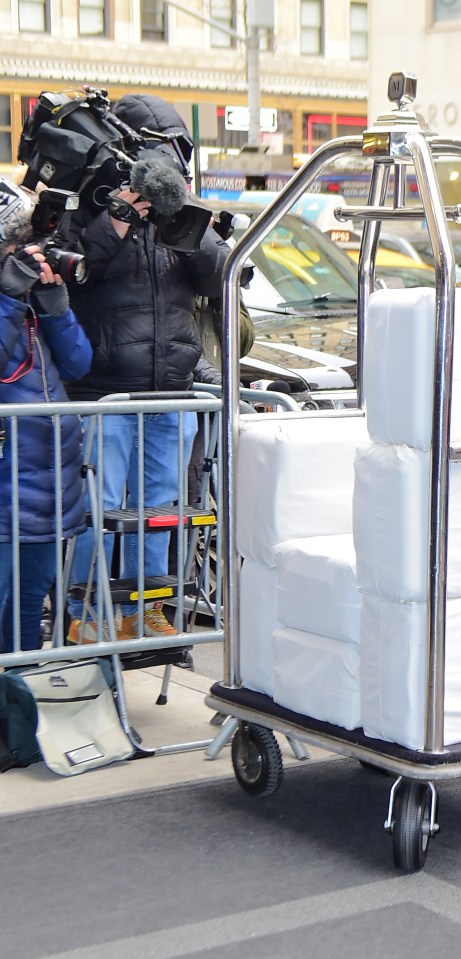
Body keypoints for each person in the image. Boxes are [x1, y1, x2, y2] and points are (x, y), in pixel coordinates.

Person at [63, 94, 229, 643]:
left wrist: (185, 213)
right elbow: (77, 271)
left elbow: (219, 279)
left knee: (159, 509)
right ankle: (83, 614)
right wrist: (119, 217)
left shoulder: (180, 213)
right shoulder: (92, 203)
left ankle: (147, 606)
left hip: (170, 392)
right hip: (103, 392)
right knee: (100, 507)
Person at [0, 180, 92, 654]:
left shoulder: (25, 302)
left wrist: (55, 310)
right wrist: (9, 299)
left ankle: (16, 718)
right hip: (7, 498)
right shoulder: (10, 302)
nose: (27, 255)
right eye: (15, 246)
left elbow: (78, 364)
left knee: (26, 615)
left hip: (47, 499)